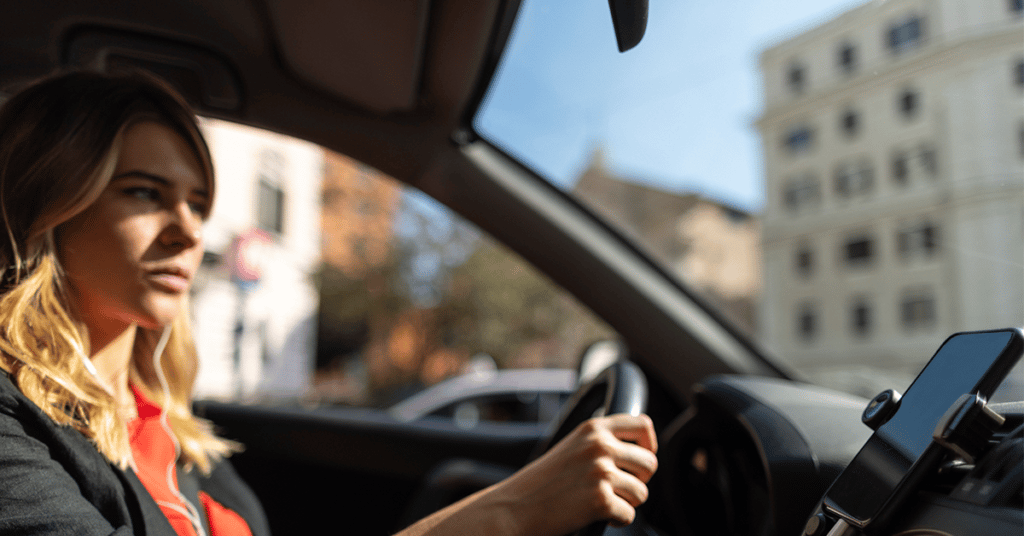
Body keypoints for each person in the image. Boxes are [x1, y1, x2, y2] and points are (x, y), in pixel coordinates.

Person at [0, 69, 658, 536]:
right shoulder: (11, 426)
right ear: (49, 206)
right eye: (144, 192)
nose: (189, 229)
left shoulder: (173, 425)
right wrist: (503, 514)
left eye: (198, 203)